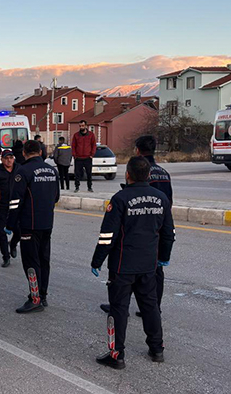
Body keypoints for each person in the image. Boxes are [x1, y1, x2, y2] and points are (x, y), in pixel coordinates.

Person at [91, 157, 174, 369]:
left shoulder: (120, 199)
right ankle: (157, 349)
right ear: (148, 175)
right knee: (150, 307)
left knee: (119, 309)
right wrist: (164, 257)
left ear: (128, 174)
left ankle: (116, 355)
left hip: (122, 266)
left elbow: (107, 236)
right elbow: (168, 233)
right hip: (149, 264)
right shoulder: (161, 198)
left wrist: (97, 260)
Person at [100, 135, 172, 317]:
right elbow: (168, 200)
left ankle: (118, 303)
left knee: (126, 268)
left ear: (138, 150)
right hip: (158, 224)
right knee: (155, 269)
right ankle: (153, 306)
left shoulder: (137, 170)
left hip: (137, 225)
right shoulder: (163, 172)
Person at [7, 140, 60, 313]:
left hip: (29, 225)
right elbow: (56, 197)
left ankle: (35, 298)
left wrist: (10, 224)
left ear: (24, 153)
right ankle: (43, 296)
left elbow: (15, 202)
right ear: (40, 151)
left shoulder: (23, 171)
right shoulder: (52, 170)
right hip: (47, 223)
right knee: (44, 260)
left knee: (31, 262)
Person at [71, 120, 97, 193]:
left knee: (89, 173)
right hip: (78, 158)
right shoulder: (76, 135)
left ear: (86, 126)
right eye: (80, 126)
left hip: (88, 157)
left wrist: (92, 154)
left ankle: (89, 187)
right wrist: (74, 155)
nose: (81, 127)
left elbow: (94, 145)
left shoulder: (91, 135)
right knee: (77, 173)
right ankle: (77, 187)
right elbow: (73, 146)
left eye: (82, 126)